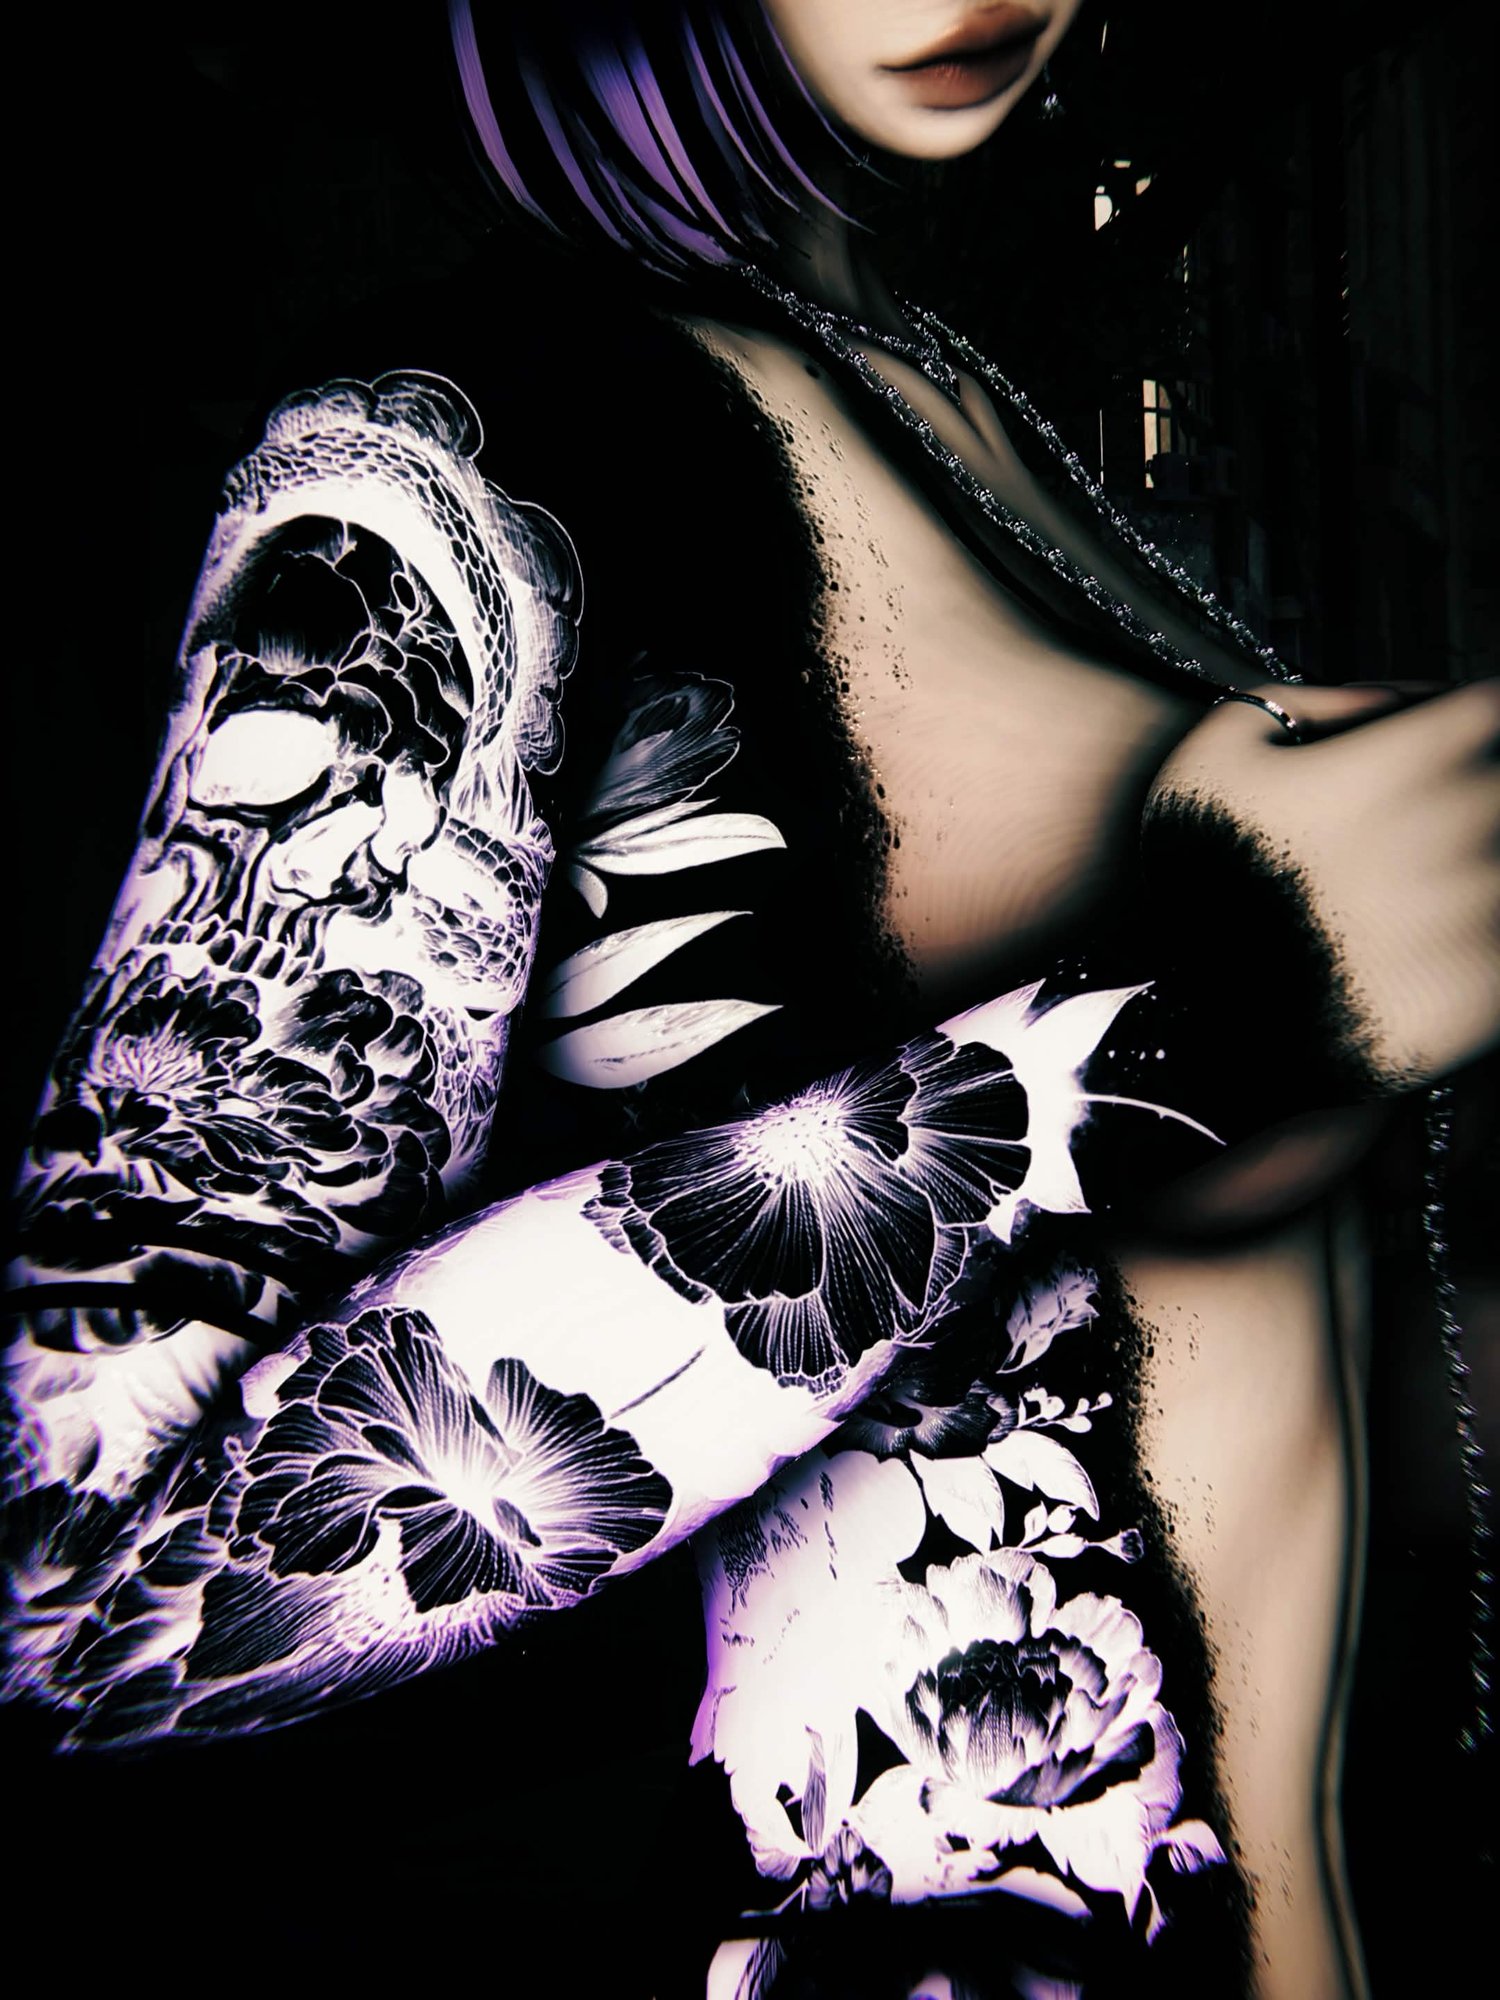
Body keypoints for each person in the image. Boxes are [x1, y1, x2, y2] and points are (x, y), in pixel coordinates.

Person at [3, 5, 1494, 1995]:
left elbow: (1180, 1350)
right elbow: (81, 1589)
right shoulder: (439, 470)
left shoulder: (946, 385)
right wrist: (1131, 1053)